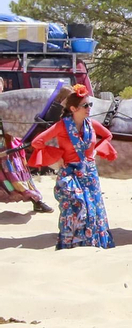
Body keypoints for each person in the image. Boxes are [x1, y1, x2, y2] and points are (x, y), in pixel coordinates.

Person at [25, 84, 115, 248]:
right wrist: (57, 156)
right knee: (76, 208)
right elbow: (37, 142)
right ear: (73, 108)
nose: (89, 108)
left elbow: (108, 135)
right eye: (85, 105)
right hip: (70, 174)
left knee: (93, 209)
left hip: (90, 173)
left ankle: (93, 244)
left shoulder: (92, 124)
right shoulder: (61, 126)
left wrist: (94, 152)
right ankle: (72, 245)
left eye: (90, 105)